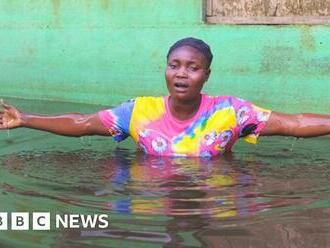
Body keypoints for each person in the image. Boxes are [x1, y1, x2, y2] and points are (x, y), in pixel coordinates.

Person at [0, 37, 329, 157]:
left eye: (193, 67)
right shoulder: (140, 111)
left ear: (206, 75)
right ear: (166, 70)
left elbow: (294, 123)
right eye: (175, 65)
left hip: (215, 200)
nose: (182, 74)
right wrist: (25, 119)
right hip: (150, 198)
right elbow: (83, 123)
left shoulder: (231, 111)